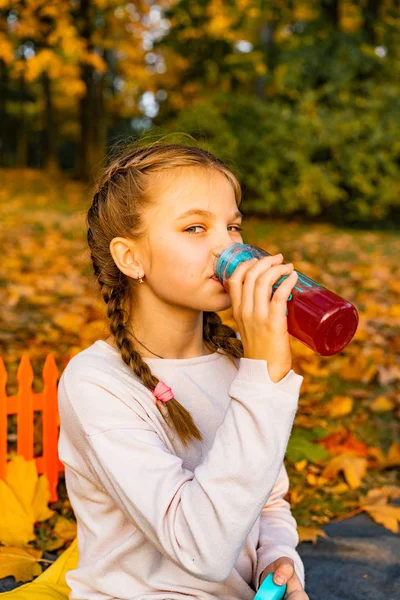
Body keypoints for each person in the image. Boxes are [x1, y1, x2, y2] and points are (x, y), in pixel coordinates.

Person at [57, 140, 309, 600]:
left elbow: (267, 500)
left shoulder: (237, 364)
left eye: (233, 226)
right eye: (195, 227)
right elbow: (201, 550)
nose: (229, 247)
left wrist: (280, 558)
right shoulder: (95, 383)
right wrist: (265, 376)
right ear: (131, 257)